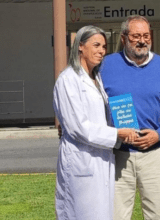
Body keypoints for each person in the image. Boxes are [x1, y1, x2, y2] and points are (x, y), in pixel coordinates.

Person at [53, 25, 138, 220]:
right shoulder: (68, 80)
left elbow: (102, 118)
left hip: (102, 159)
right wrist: (117, 134)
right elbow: (78, 128)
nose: (101, 51)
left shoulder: (96, 79)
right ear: (80, 46)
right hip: (80, 161)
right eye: (96, 45)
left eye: (104, 47)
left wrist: (122, 130)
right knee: (80, 213)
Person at [100, 15, 160, 220]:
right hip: (118, 154)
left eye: (146, 35)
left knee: (158, 215)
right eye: (136, 36)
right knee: (116, 215)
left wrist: (159, 134)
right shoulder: (106, 65)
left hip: (153, 154)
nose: (142, 40)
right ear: (124, 38)